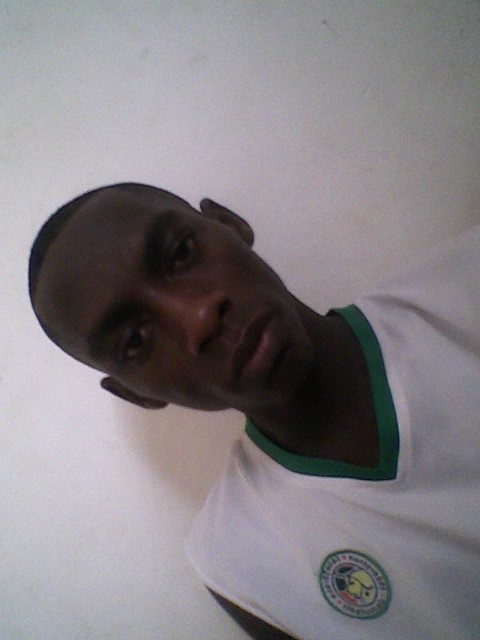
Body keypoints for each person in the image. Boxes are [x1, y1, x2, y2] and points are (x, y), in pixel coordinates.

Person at [28, 182, 480, 640]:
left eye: (182, 252)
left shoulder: (465, 283)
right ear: (137, 394)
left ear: (229, 223)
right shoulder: (241, 566)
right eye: (135, 341)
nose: (199, 317)